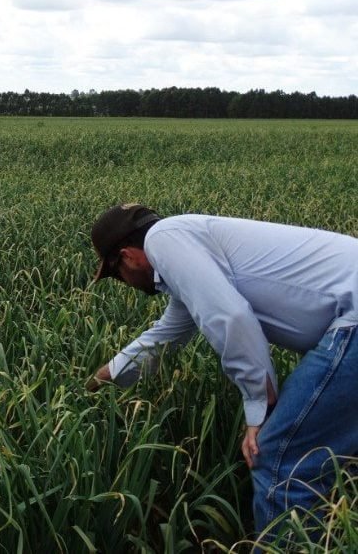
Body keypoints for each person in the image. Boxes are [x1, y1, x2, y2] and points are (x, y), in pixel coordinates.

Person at [86, 203, 358, 536]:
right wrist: (99, 381)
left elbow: (230, 318)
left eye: (115, 275)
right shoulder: (187, 244)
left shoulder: (164, 239)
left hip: (353, 321)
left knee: (278, 457)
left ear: (127, 257)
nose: (124, 283)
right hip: (349, 316)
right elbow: (163, 338)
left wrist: (260, 406)